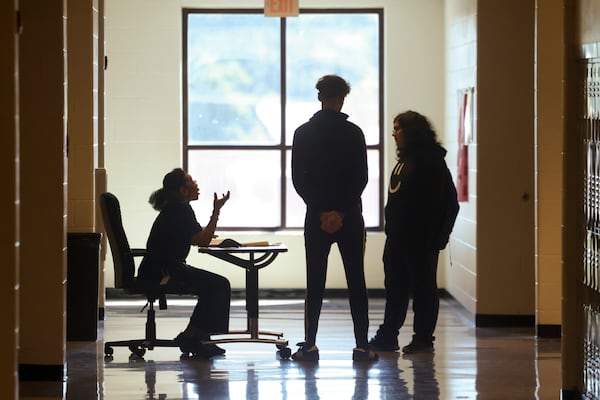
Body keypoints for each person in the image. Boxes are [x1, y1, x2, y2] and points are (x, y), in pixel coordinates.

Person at [291, 74, 377, 362]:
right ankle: (362, 345)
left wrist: (321, 211)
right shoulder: (354, 133)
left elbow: (298, 179)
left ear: (319, 97)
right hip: (349, 217)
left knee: (315, 281)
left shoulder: (302, 133)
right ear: (343, 98)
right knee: (356, 281)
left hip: (315, 218)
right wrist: (340, 211)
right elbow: (361, 178)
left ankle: (311, 345)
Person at [369, 111, 459, 354]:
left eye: (397, 128)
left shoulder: (430, 163)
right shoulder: (406, 161)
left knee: (423, 292)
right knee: (395, 290)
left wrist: (437, 239)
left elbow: (448, 204)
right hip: (398, 240)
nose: (393, 133)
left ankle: (422, 339)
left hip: (420, 242)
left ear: (412, 132)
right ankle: (388, 335)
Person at [138, 168, 232, 357]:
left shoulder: (178, 208)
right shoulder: (179, 209)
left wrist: (205, 232)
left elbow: (196, 237)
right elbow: (203, 240)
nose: (197, 185)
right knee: (219, 285)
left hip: (163, 267)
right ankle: (196, 337)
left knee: (214, 285)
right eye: (191, 182)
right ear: (182, 190)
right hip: (163, 271)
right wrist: (216, 211)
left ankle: (196, 337)